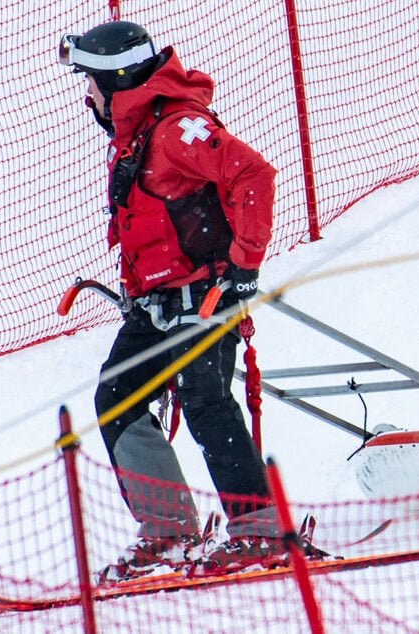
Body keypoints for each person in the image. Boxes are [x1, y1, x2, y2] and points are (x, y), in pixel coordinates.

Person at [59, 21, 281, 579]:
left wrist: (245, 266)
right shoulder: (135, 135)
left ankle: (260, 533)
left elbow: (251, 173)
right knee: (118, 398)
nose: (87, 96)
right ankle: (169, 531)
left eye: (91, 83)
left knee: (205, 400)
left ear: (118, 80)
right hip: (157, 303)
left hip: (205, 295)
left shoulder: (177, 129)